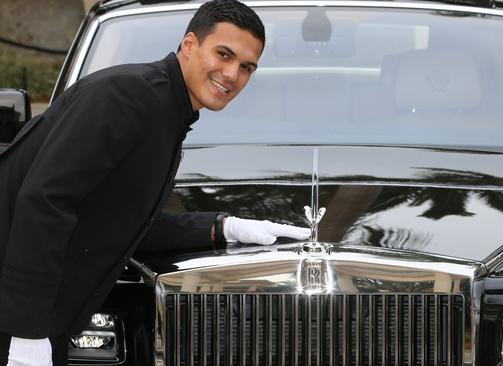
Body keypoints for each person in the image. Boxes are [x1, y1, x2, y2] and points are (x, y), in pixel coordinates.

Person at [0, 1, 310, 365]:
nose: (231, 74)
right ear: (190, 45)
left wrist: (222, 228)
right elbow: (45, 200)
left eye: (246, 67)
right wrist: (27, 333)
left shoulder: (167, 113)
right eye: (223, 54)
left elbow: (123, 223)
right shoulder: (127, 97)